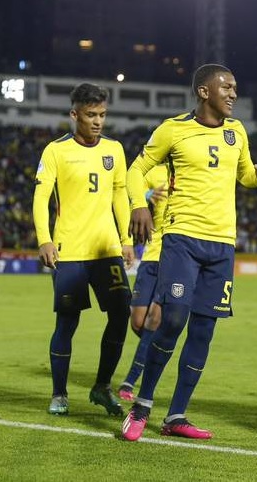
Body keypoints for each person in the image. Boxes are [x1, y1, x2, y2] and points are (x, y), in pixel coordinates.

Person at [121, 64, 257, 442]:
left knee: (204, 330)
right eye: (226, 86)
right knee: (173, 319)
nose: (233, 93)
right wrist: (138, 205)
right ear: (204, 92)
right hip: (182, 238)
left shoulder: (236, 132)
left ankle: (177, 415)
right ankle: (142, 404)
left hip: (222, 243)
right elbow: (136, 169)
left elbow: (244, 176)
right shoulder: (173, 129)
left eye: (235, 87)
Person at [32, 83, 135, 416]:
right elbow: (40, 197)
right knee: (68, 323)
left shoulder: (115, 150)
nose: (98, 121)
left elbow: (121, 195)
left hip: (106, 250)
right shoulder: (55, 151)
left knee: (121, 314)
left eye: (102, 115)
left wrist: (127, 239)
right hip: (70, 251)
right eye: (91, 115)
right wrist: (44, 239)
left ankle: (102, 386)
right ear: (74, 114)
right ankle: (59, 394)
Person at [118, 164, 168, 401]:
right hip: (150, 255)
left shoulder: (192, 170)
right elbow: (129, 196)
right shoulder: (152, 172)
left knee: (153, 320)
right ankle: (159, 348)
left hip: (175, 256)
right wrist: (145, 197)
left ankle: (129, 382)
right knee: (138, 322)